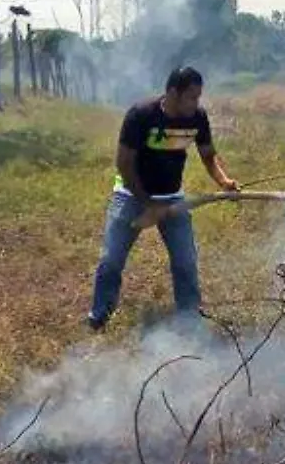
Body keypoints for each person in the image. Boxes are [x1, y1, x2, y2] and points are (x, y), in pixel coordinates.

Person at [86, 66, 239, 332]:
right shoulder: (141, 115)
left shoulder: (197, 118)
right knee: (111, 259)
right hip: (131, 195)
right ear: (172, 93)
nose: (196, 104)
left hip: (172, 198)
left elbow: (208, 155)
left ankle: (189, 318)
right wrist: (148, 204)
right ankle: (100, 316)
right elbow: (124, 164)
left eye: (198, 97)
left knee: (185, 261)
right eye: (191, 97)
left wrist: (223, 181)